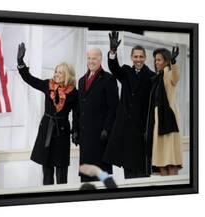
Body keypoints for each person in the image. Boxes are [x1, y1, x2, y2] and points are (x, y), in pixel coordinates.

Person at [16, 42, 78, 185]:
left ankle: (62, 199)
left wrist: (76, 131)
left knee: (61, 171)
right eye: (55, 71)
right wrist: (20, 63)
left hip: (62, 132)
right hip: (46, 129)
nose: (56, 74)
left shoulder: (74, 93)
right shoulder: (47, 85)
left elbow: (77, 114)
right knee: (47, 168)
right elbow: (29, 79)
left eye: (60, 72)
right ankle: (47, 197)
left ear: (67, 75)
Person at [103, 31, 156, 179]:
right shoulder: (126, 71)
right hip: (125, 130)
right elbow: (114, 68)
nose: (138, 59)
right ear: (132, 58)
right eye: (135, 56)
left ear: (145, 58)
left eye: (141, 57)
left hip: (140, 131)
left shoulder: (151, 76)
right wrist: (112, 52)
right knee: (128, 173)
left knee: (142, 173)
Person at [77, 47, 119, 182]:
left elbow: (113, 107)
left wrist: (107, 129)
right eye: (89, 58)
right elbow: (78, 108)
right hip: (85, 137)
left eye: (94, 58)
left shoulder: (108, 79)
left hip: (100, 137)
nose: (91, 61)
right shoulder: (81, 80)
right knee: (86, 177)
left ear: (100, 59)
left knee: (100, 177)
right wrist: (75, 130)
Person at [145, 47, 182, 176]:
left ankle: (174, 189)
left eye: (159, 60)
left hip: (169, 121)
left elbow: (176, 77)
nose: (156, 63)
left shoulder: (168, 74)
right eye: (155, 60)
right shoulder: (157, 78)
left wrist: (174, 62)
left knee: (171, 159)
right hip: (158, 121)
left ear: (166, 61)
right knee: (161, 160)